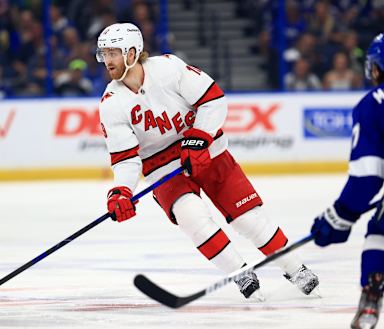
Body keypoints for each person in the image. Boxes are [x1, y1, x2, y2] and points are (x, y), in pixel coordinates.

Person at [97, 23, 319, 300]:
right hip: (162, 169)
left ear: (133, 52)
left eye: (113, 53)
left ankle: (295, 268)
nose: (107, 60)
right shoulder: (111, 102)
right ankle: (240, 273)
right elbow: (125, 158)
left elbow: (213, 99)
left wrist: (200, 138)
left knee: (248, 219)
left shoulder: (168, 68)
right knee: (193, 218)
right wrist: (122, 190)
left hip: (209, 153)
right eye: (104, 53)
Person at [311, 33, 384, 329]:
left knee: (380, 230)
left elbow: (368, 176)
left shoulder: (373, 105)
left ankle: (371, 297)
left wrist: (340, 216)